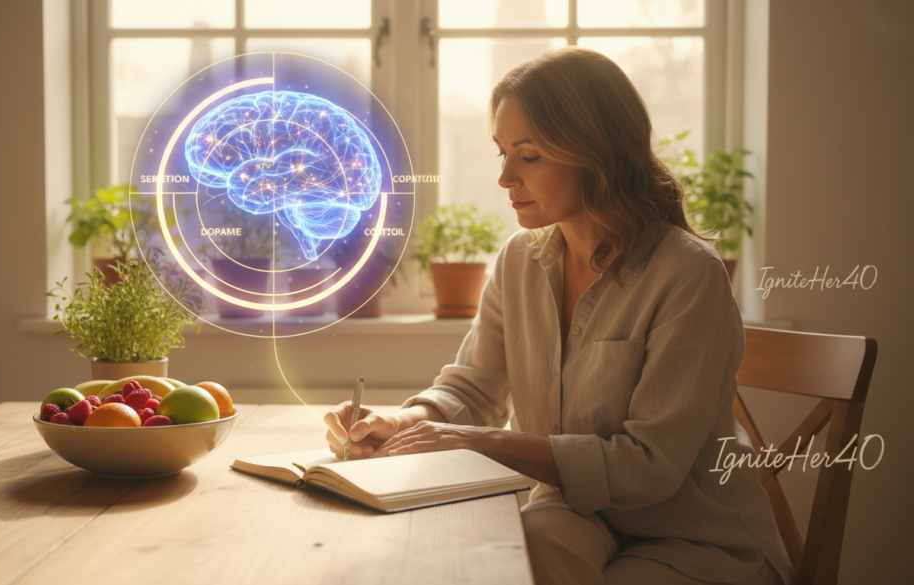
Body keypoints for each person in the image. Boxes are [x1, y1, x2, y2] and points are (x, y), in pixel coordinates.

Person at [324, 46, 790, 585]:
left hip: (696, 537)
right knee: (511, 556)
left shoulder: (689, 275)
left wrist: (478, 442)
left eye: (530, 156)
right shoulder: (519, 262)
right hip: (574, 513)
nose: (505, 179)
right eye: (502, 153)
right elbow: (475, 391)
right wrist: (402, 423)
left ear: (597, 153)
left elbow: (649, 467)